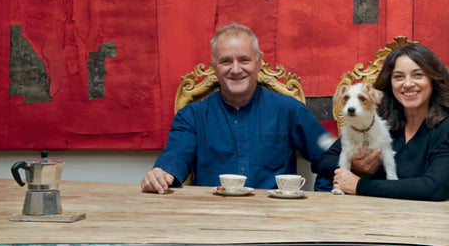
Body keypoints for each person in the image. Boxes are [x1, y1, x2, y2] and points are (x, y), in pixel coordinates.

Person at [141, 23, 333, 193]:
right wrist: (161, 175)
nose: (235, 69)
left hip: (273, 216)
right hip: (211, 215)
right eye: (225, 61)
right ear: (214, 66)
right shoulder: (191, 116)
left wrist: (323, 196)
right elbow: (175, 158)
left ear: (258, 62)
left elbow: (331, 157)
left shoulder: (290, 110)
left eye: (244, 60)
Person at [316, 42, 449, 201]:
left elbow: (436, 187)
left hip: (426, 215)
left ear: (433, 79)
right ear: (390, 82)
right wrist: (356, 165)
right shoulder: (377, 120)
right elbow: (324, 162)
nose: (408, 84)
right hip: (369, 212)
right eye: (398, 76)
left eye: (418, 75)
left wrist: (359, 186)